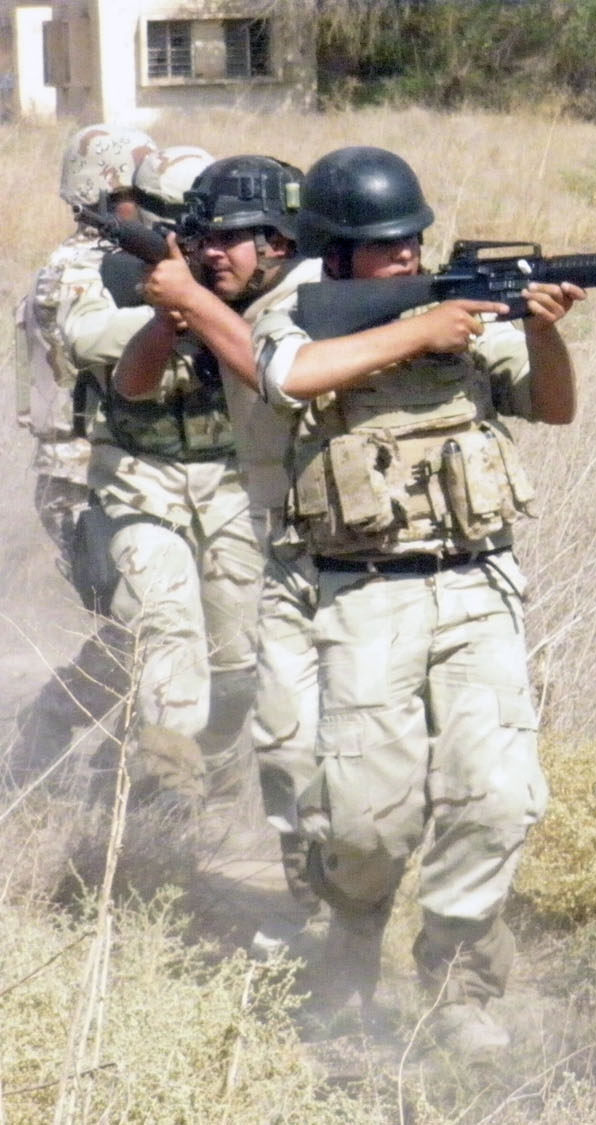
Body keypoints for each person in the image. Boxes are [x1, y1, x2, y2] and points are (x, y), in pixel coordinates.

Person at [251, 146, 583, 1057]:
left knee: (500, 798)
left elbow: (552, 407)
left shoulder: (465, 310)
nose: (403, 258)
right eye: (382, 247)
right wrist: (420, 329)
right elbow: (287, 377)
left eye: (412, 242)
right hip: (361, 596)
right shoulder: (293, 310)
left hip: (477, 583)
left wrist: (545, 328)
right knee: (365, 822)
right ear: (336, 254)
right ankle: (350, 936)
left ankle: (458, 984)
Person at [122, 153, 323, 942]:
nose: (213, 253)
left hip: (347, 556)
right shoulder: (220, 299)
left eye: (233, 238)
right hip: (288, 555)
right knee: (289, 745)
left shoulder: (314, 299)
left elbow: (282, 375)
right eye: (204, 237)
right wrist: (171, 312)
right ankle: (322, 917)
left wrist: (200, 309)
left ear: (279, 239)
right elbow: (135, 384)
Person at [56, 142, 263, 817]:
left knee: (237, 655)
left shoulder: (247, 278)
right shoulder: (101, 271)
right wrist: (169, 310)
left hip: (231, 485)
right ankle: (167, 788)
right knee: (167, 620)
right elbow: (85, 339)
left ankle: (205, 780)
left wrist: (212, 304)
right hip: (136, 481)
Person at [10, 124, 158, 786]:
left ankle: (121, 760)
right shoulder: (80, 275)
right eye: (134, 195)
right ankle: (59, 730)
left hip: (109, 473)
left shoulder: (111, 267)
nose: (149, 206)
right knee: (142, 625)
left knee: (149, 626)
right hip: (83, 478)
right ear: (99, 194)